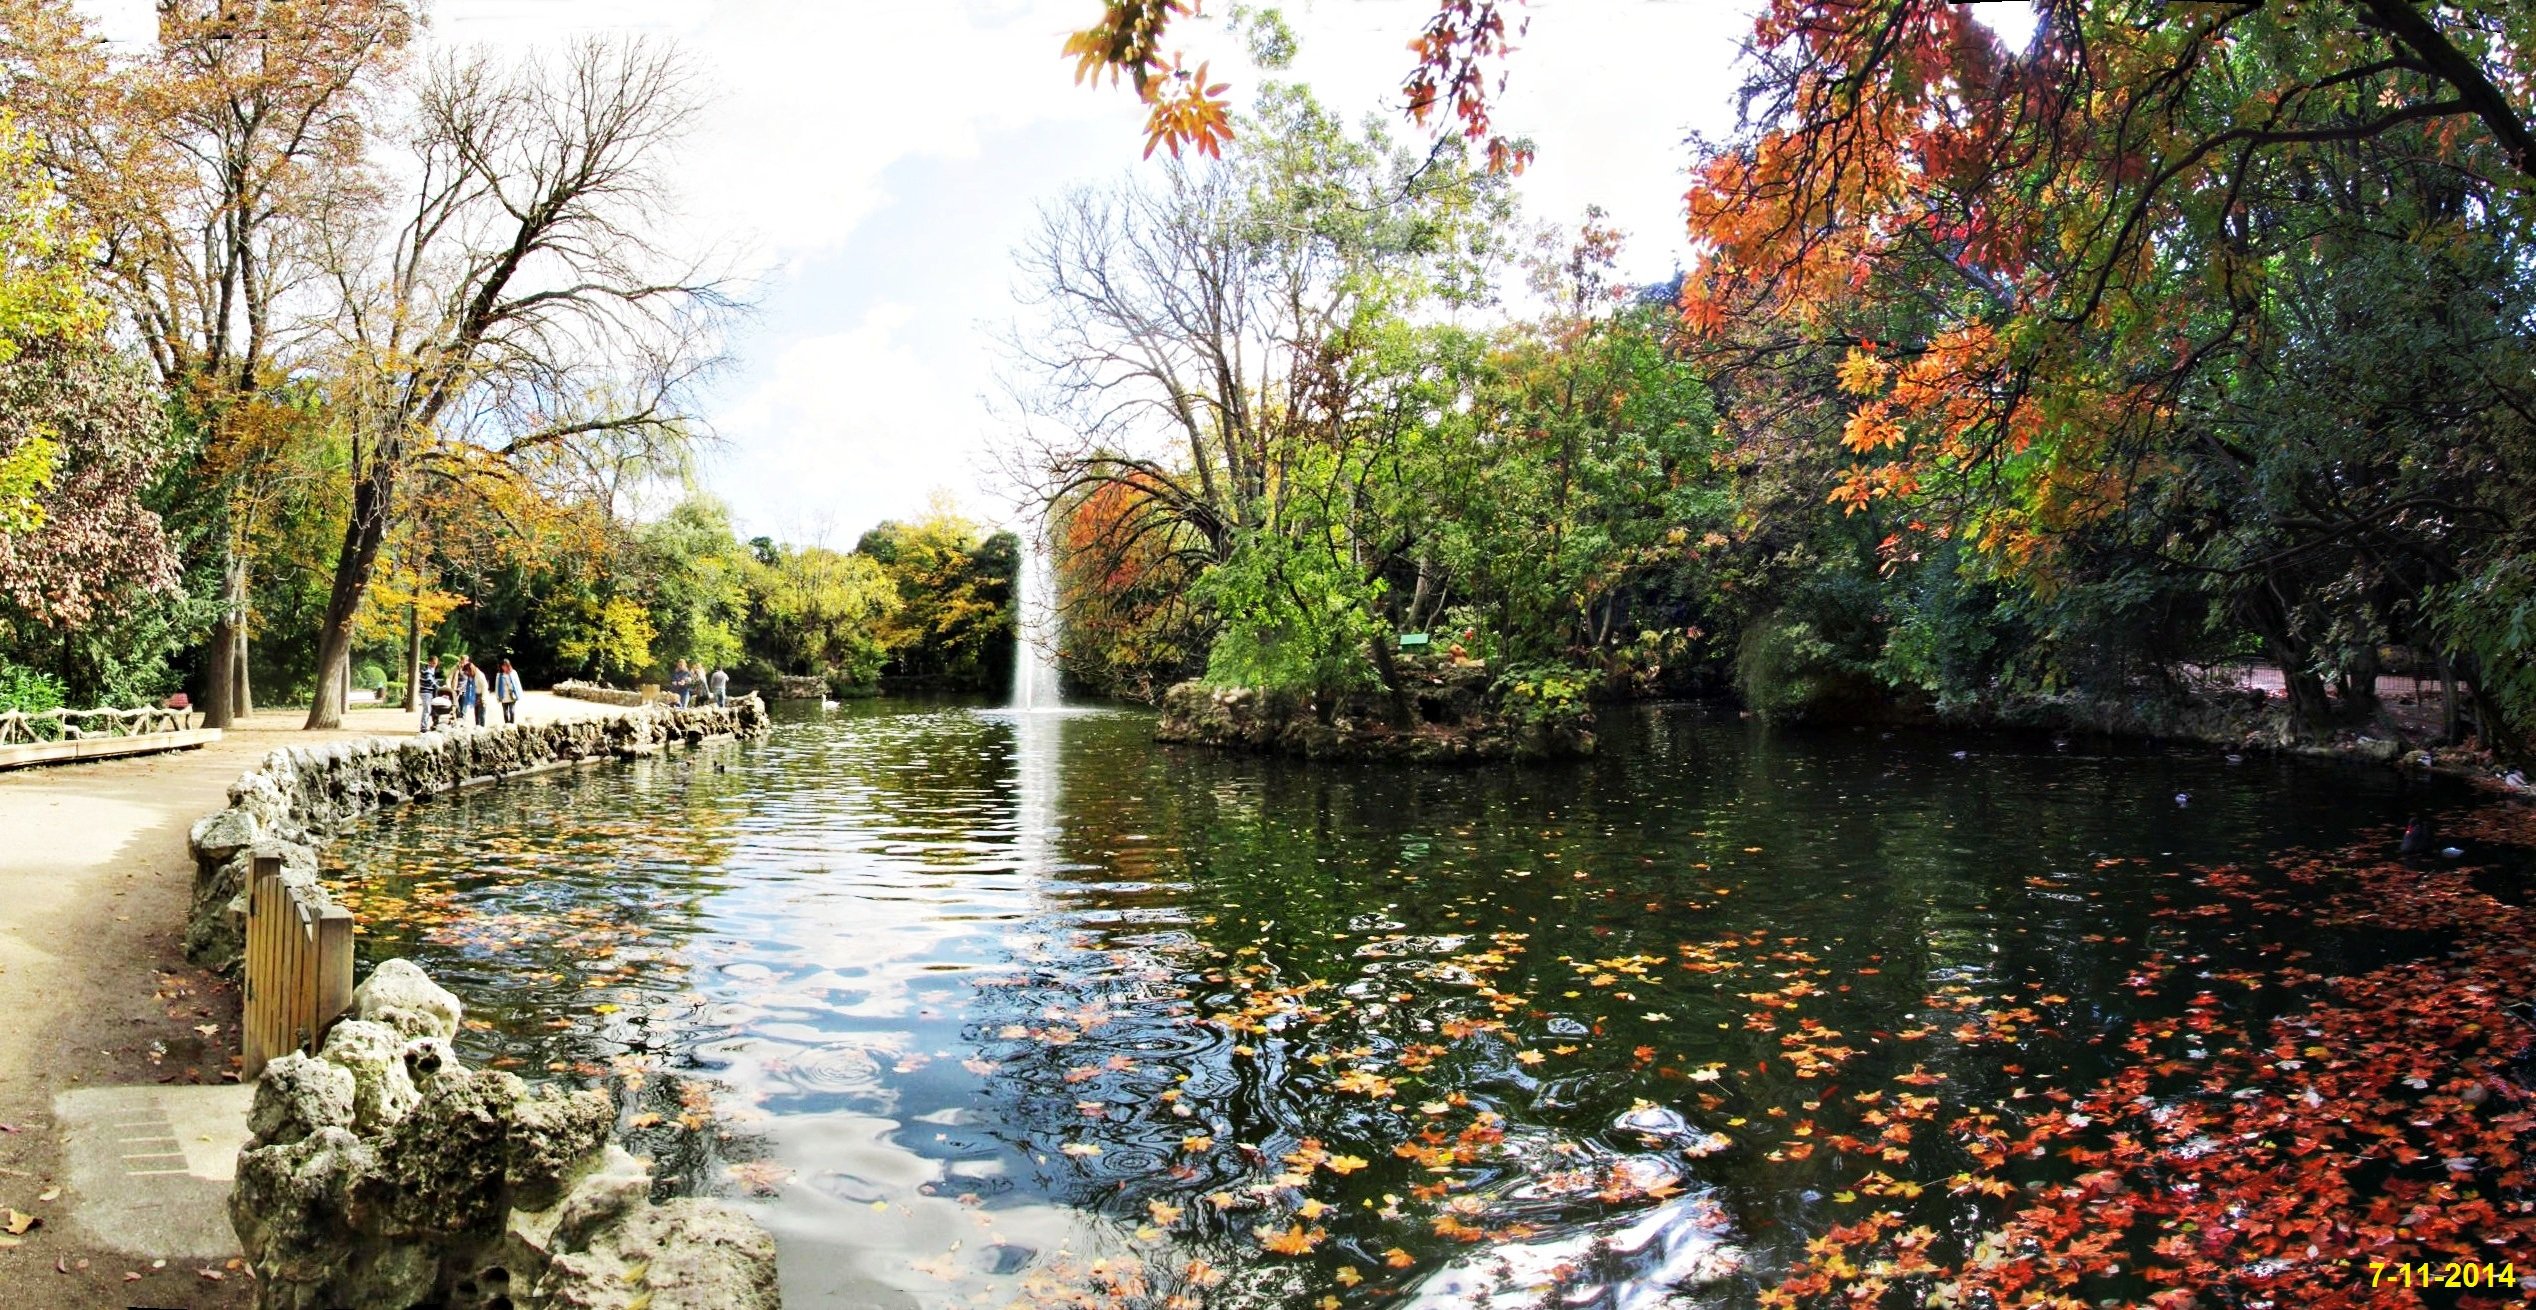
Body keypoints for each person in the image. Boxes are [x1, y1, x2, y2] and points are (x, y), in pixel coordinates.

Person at [418, 655, 444, 731]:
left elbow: (435, 680)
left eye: (436, 663)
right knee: (427, 710)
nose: (435, 664)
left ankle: (428, 725)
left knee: (430, 709)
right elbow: (430, 681)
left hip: (429, 692)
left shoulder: (432, 670)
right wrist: (439, 688)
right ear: (429, 662)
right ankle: (423, 727)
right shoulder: (427, 671)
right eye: (433, 663)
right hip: (426, 692)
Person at [454, 656, 480, 728]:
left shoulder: (470, 668)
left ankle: (463, 722)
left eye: (465, 660)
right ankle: (458, 722)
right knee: (457, 707)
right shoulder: (457, 668)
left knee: (463, 707)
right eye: (462, 660)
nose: (463, 662)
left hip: (465, 690)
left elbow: (470, 681)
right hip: (457, 690)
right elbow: (453, 678)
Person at [495, 659, 523, 725]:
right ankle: (507, 725)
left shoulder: (513, 673)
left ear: (508, 665)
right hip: (503, 696)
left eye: (506, 665)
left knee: (512, 711)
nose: (504, 667)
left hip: (512, 695)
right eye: (503, 666)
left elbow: (517, 684)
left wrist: (519, 694)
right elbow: (497, 686)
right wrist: (497, 696)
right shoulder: (499, 675)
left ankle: (512, 725)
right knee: (505, 713)